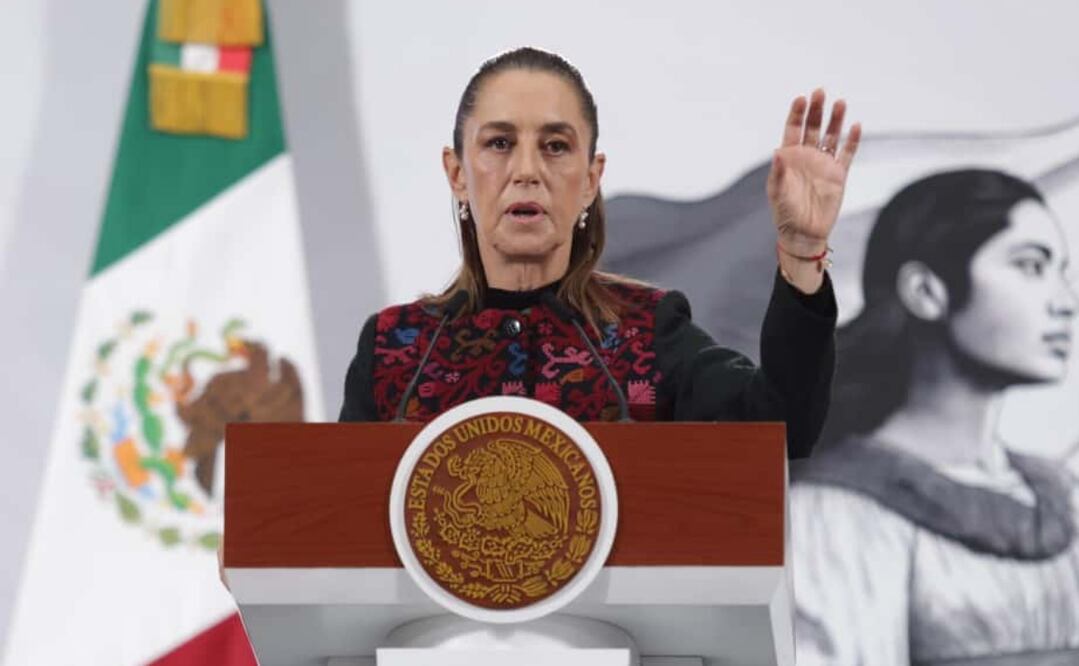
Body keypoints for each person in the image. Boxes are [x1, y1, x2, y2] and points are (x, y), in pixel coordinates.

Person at [339, 47, 860, 459]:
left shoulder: (646, 332)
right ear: (457, 173)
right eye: (499, 143)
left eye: (555, 146)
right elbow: (333, 522)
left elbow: (782, 428)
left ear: (591, 180)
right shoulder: (395, 350)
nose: (527, 171)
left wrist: (802, 249)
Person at [791, 170, 1079, 664]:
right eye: (1030, 266)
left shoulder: (1061, 493)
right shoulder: (835, 513)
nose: (1065, 304)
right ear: (927, 291)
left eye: (1062, 272)